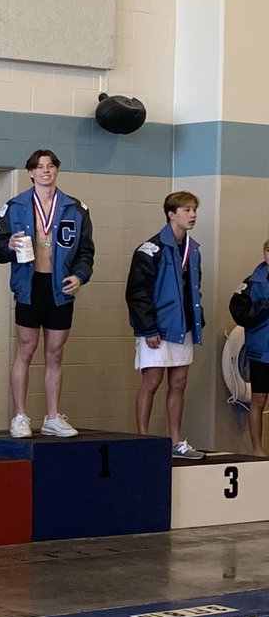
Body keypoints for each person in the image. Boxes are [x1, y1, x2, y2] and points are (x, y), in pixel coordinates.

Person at [0, 149, 94, 438]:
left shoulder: (75, 208)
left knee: (55, 353)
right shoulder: (15, 206)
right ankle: (20, 415)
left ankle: (52, 416)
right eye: (39, 167)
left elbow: (86, 251)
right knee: (26, 349)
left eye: (50, 166)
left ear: (57, 171)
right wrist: (8, 245)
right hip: (30, 284)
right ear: (31, 173)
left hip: (60, 287)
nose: (45, 171)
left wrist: (80, 275)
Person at [125, 191, 205, 459]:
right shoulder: (151, 249)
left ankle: (175, 440)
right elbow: (137, 292)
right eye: (186, 209)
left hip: (182, 326)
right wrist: (147, 328)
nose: (192, 214)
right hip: (157, 328)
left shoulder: (193, 250)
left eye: (194, 209)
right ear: (171, 213)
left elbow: (194, 288)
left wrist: (197, 320)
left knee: (179, 382)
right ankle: (144, 439)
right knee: (152, 380)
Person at [230, 239, 269, 457]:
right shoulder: (251, 284)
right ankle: (257, 450)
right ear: (264, 253)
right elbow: (239, 313)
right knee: (259, 400)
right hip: (261, 350)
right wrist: (265, 305)